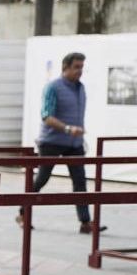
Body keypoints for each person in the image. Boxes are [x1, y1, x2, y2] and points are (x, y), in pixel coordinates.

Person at [21, 52, 104, 234]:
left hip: (74, 143)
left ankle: (85, 222)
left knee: (80, 181)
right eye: (76, 67)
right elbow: (46, 116)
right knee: (42, 178)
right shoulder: (53, 87)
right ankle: (23, 213)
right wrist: (67, 128)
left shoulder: (80, 88)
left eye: (82, 67)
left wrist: (78, 134)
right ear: (65, 67)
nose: (80, 71)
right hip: (51, 141)